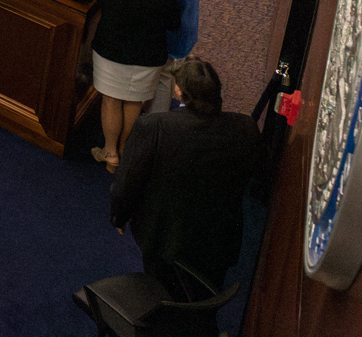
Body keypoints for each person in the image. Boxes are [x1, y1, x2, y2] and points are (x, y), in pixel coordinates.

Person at [109, 57, 262, 302]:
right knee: (204, 294)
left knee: (161, 293)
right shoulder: (246, 127)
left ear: (179, 92)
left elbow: (128, 182)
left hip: (166, 237)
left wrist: (119, 215)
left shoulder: (154, 127)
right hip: (219, 236)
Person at [66, 0, 180, 172]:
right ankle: (125, 147)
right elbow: (173, 23)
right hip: (148, 57)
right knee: (134, 103)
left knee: (111, 100)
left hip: (112, 54)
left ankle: (110, 154)